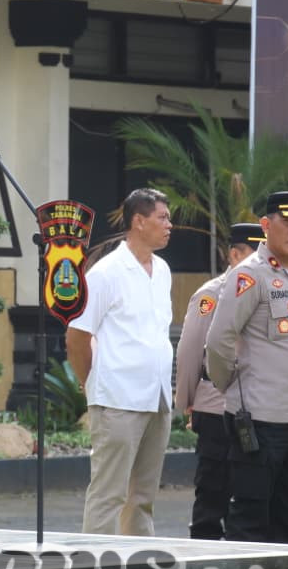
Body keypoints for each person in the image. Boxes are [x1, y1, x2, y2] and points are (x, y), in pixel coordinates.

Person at [205, 191, 288, 544]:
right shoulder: (249, 275)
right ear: (265, 225)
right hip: (260, 420)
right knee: (250, 517)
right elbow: (218, 342)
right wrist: (231, 387)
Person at [67, 187, 174, 536]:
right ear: (138, 222)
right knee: (108, 493)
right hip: (117, 397)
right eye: (162, 217)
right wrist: (91, 383)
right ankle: (94, 568)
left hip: (156, 395)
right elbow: (77, 336)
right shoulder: (106, 272)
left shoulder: (162, 269)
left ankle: (139, 566)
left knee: (143, 495)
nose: (169, 225)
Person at [176, 222, 264, 540]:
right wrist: (186, 400)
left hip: (256, 406)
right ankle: (204, 560)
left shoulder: (269, 288)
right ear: (234, 254)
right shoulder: (210, 295)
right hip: (214, 406)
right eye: (254, 253)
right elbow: (189, 350)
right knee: (213, 491)